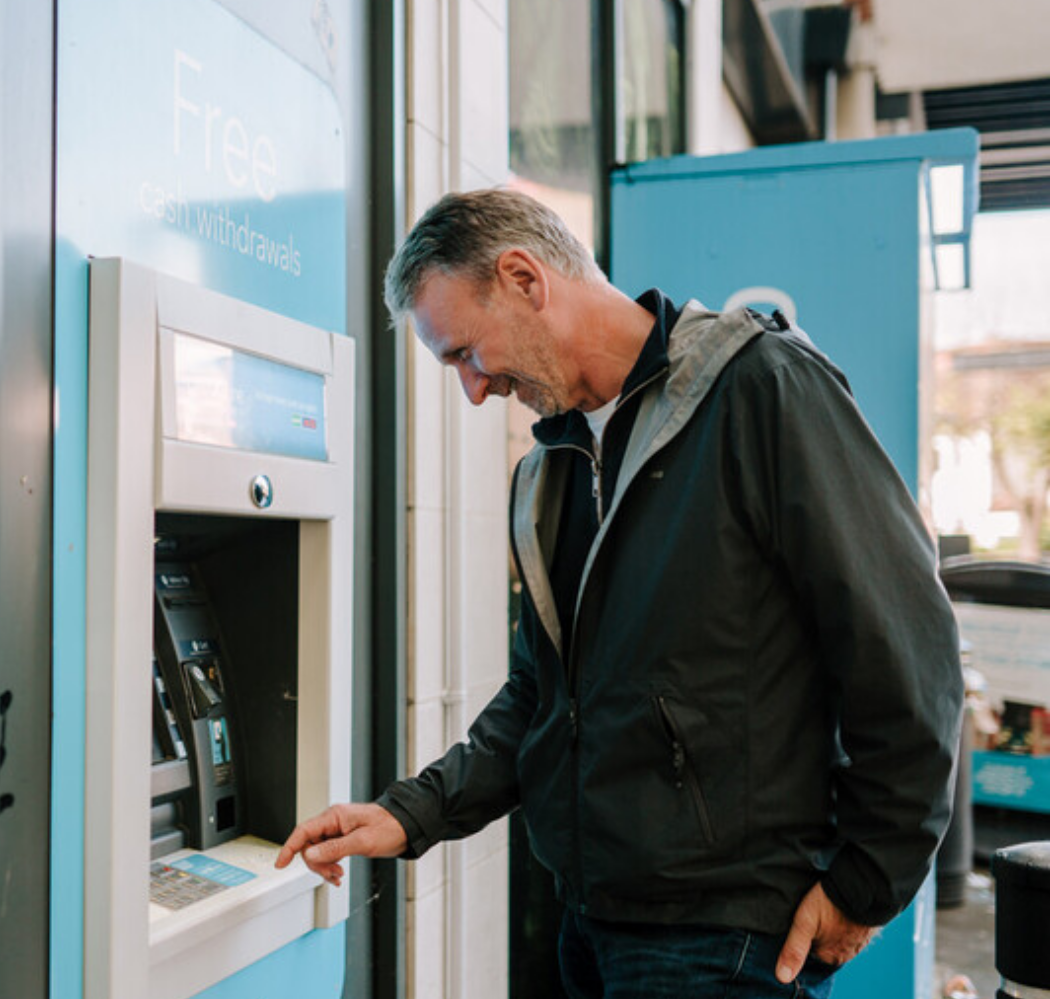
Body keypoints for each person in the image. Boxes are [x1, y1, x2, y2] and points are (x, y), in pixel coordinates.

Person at [274, 189, 963, 998]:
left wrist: (866, 879)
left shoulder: (759, 390)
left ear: (525, 279)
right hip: (591, 929)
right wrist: (411, 813)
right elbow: (545, 694)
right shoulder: (550, 470)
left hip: (725, 941)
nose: (473, 388)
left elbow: (909, 649)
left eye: (464, 352)